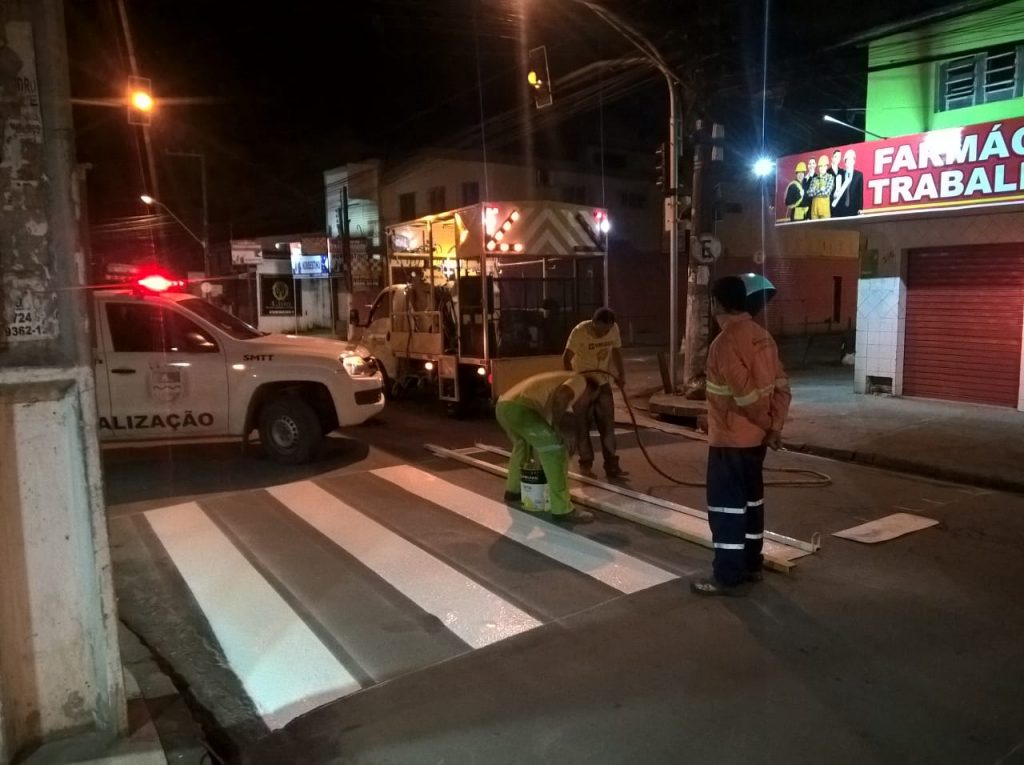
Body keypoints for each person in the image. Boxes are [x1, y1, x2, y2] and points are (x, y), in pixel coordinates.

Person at [691, 275, 791, 596]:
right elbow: (782, 388)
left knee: (727, 509)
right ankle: (751, 566)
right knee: (752, 503)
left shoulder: (724, 344)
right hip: (755, 444)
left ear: (716, 304)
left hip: (730, 443)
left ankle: (728, 577)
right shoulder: (764, 337)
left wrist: (766, 426)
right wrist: (774, 428)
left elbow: (746, 396)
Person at [496, 371, 596, 524]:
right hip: (521, 409)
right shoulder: (580, 381)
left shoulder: (554, 384)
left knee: (524, 446)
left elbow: (549, 416)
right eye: (591, 399)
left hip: (504, 406)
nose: (586, 403)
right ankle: (563, 509)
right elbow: (562, 396)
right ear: (590, 390)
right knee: (556, 451)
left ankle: (513, 491)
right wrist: (557, 432)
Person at [562, 307, 627, 479]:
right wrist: (573, 382)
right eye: (600, 330)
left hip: (603, 382)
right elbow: (566, 358)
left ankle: (612, 466)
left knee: (608, 426)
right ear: (593, 323)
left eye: (606, 330)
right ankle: (585, 464)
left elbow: (616, 351)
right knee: (582, 425)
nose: (603, 334)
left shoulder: (613, 329)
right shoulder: (579, 332)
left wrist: (621, 374)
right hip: (584, 384)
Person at [832, 148, 864, 218]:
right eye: (847, 159)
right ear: (844, 162)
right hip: (841, 208)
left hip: (854, 208)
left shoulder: (859, 175)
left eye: (851, 159)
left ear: (854, 161)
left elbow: (860, 194)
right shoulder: (840, 174)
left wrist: (860, 208)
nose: (849, 161)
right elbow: (836, 189)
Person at [806, 154, 834, 220]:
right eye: (820, 166)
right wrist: (821, 190)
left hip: (825, 212)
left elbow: (827, 192)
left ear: (826, 166)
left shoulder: (830, 177)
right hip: (814, 211)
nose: (821, 168)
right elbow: (809, 193)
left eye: (823, 166)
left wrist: (815, 191)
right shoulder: (814, 179)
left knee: (825, 230)